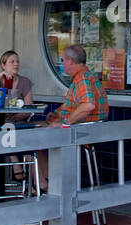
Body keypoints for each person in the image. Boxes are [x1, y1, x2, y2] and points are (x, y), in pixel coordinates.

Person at [35, 44, 108, 192]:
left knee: (34, 139)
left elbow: (88, 105)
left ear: (70, 61)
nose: (61, 63)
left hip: (81, 132)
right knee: (36, 134)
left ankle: (49, 186)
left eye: (62, 60)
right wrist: (57, 114)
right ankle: (47, 184)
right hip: (87, 130)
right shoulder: (85, 76)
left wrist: (65, 122)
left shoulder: (81, 79)